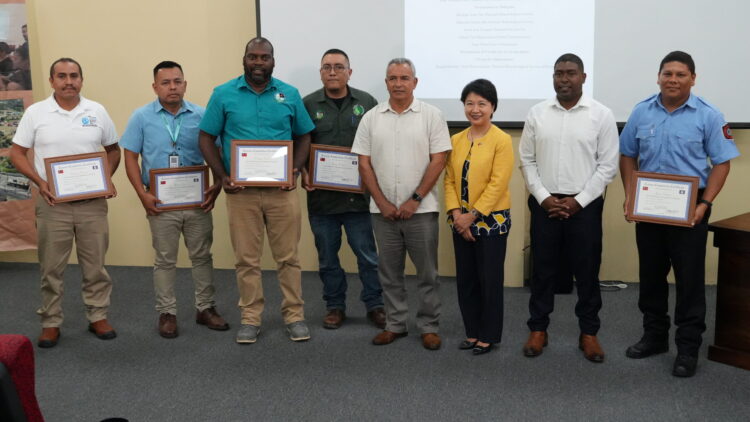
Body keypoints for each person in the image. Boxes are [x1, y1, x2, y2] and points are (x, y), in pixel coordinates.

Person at [620, 51, 739, 377]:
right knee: (651, 278)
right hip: (649, 210)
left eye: (680, 74)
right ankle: (654, 337)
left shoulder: (709, 116)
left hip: (691, 213)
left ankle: (687, 348)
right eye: (667, 73)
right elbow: (628, 155)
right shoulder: (641, 111)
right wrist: (630, 196)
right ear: (658, 77)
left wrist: (705, 204)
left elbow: (722, 163)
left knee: (689, 283)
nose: (673, 79)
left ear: (693, 79)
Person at [199, 37, 315, 344]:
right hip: (241, 194)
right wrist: (222, 176)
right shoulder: (223, 94)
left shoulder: (289, 94)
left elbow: (305, 136)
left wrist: (294, 169)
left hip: (282, 193)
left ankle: (294, 315)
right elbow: (206, 138)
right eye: (253, 57)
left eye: (264, 57)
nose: (258, 62)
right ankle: (250, 318)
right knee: (246, 260)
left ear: (273, 61)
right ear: (244, 59)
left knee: (288, 257)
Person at [9, 57, 121, 348]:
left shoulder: (96, 111)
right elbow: (17, 154)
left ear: (81, 80)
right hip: (52, 203)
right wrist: (40, 181)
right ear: (52, 81)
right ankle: (51, 321)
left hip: (92, 203)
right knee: (51, 268)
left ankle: (97, 315)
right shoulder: (36, 113)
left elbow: (113, 150)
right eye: (62, 76)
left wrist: (106, 179)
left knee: (95, 265)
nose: (68, 81)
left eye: (74, 76)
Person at [519, 53, 619, 362]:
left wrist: (578, 202)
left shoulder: (601, 115)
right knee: (543, 271)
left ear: (583, 78)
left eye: (571, 73)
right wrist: (544, 197)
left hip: (584, 206)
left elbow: (608, 166)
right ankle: (538, 330)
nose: (564, 78)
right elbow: (527, 160)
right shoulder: (537, 113)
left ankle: (588, 333)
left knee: (587, 272)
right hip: (544, 204)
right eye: (559, 73)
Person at [121, 61, 228, 339]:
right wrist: (142, 194)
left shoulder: (202, 115)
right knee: (165, 260)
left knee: (202, 256)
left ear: (185, 84)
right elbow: (130, 157)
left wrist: (217, 185)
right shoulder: (141, 117)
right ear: (155, 86)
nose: (172, 87)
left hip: (196, 201)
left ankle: (205, 308)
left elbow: (217, 152)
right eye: (166, 82)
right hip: (160, 202)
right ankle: (167, 312)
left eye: (177, 81)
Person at [351, 58, 451, 350]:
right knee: (389, 272)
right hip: (383, 213)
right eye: (392, 78)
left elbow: (439, 159)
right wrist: (380, 201)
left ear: (415, 83)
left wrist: (415, 198)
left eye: (404, 78)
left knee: (427, 274)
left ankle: (429, 326)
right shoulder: (371, 117)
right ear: (386, 83)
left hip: (421, 211)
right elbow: (364, 163)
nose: (398, 83)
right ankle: (395, 324)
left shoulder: (431, 115)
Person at [301, 49, 385, 329]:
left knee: (367, 256)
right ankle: (334, 306)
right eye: (327, 67)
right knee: (327, 258)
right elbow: (300, 144)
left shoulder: (367, 102)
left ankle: (375, 305)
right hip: (322, 199)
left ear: (350, 71)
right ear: (321, 72)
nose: (333, 71)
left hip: (358, 199)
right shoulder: (308, 104)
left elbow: (378, 145)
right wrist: (302, 172)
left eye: (339, 66)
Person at [444, 79, 513, 355]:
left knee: (490, 280)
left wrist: (471, 216)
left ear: (492, 107)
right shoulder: (456, 140)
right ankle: (472, 331)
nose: (475, 109)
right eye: (470, 103)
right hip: (460, 221)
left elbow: (498, 183)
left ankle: (489, 335)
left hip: (490, 221)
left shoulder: (502, 140)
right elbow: (449, 180)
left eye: (482, 104)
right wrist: (457, 214)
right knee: (466, 280)